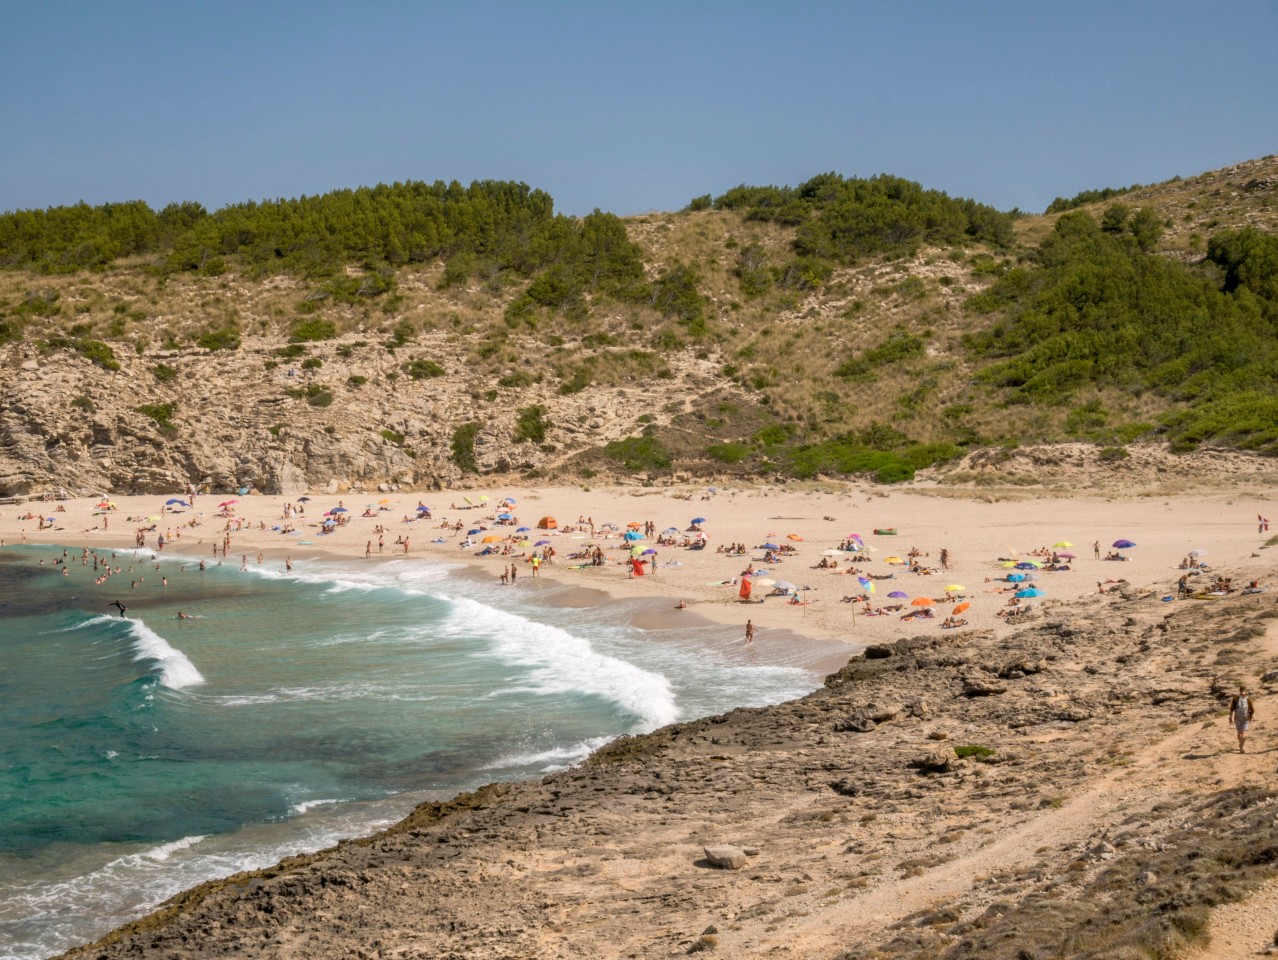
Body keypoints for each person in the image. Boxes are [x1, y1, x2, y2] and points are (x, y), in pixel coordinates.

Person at [1229, 686, 1255, 753]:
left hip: (1240, 718)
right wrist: (1251, 717)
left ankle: (1241, 746)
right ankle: (1241, 746)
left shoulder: (1238, 698)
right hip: (1242, 718)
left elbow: (1232, 709)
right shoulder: (1242, 698)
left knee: (1240, 732)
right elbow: (1252, 710)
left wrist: (1230, 718)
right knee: (1241, 733)